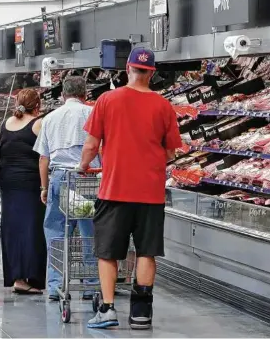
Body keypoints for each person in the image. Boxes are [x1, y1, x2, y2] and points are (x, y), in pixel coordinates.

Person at [80, 48, 182, 330]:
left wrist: (84, 165)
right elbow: (172, 151)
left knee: (108, 252)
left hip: (114, 190)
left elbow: (90, 145)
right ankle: (141, 312)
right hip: (150, 192)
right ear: (152, 73)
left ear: (128, 68)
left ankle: (108, 309)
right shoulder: (163, 105)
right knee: (147, 251)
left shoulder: (107, 100)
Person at [33, 75, 100, 301]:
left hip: (59, 177)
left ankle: (55, 286)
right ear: (85, 94)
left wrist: (44, 187)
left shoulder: (50, 118)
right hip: (87, 178)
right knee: (89, 233)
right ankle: (91, 285)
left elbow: (43, 158)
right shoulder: (93, 114)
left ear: (62, 95)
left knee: (56, 231)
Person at [0, 88, 46, 294]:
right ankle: (32, 277)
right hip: (30, 182)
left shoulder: (6, 123)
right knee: (32, 229)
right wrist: (44, 186)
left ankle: (16, 276)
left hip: (7, 181)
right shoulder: (38, 124)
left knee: (11, 228)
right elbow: (44, 156)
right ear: (37, 105)